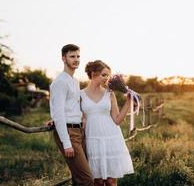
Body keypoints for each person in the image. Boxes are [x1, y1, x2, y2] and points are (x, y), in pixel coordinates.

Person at [80, 60, 134, 186]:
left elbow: (117, 120)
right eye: (104, 75)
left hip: (111, 139)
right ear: (93, 74)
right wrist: (54, 121)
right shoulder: (80, 95)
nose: (107, 78)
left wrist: (128, 103)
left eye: (108, 75)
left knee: (111, 181)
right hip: (92, 140)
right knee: (97, 181)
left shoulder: (109, 94)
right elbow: (73, 114)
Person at [49, 44, 94, 186]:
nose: (76, 59)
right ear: (63, 58)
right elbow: (59, 113)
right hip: (69, 134)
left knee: (78, 178)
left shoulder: (75, 81)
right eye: (72, 56)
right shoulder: (60, 82)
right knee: (87, 179)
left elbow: (72, 107)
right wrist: (67, 143)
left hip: (79, 131)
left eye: (78, 56)